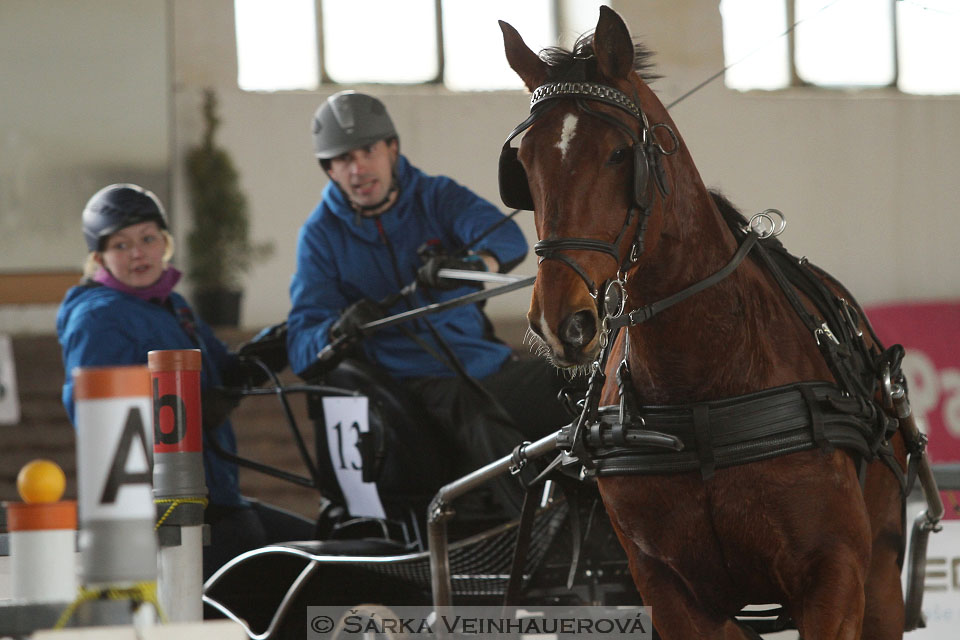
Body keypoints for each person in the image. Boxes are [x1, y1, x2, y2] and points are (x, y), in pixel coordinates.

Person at [286, 91, 578, 491]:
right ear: (330, 170)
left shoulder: (436, 195)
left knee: (579, 384)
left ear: (392, 148)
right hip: (413, 386)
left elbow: (508, 238)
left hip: (487, 367)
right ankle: (542, 536)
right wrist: (338, 329)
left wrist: (472, 267)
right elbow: (302, 343)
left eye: (368, 150)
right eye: (343, 159)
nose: (357, 168)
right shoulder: (319, 237)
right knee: (477, 416)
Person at [57, 183, 314, 578]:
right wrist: (183, 414)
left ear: (165, 242)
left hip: (217, 494)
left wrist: (279, 343)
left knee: (321, 550)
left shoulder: (172, 304)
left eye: (147, 238)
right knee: (290, 578)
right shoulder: (96, 319)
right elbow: (100, 421)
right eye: (121, 245)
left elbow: (221, 368)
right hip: (165, 509)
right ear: (99, 258)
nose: (138, 252)